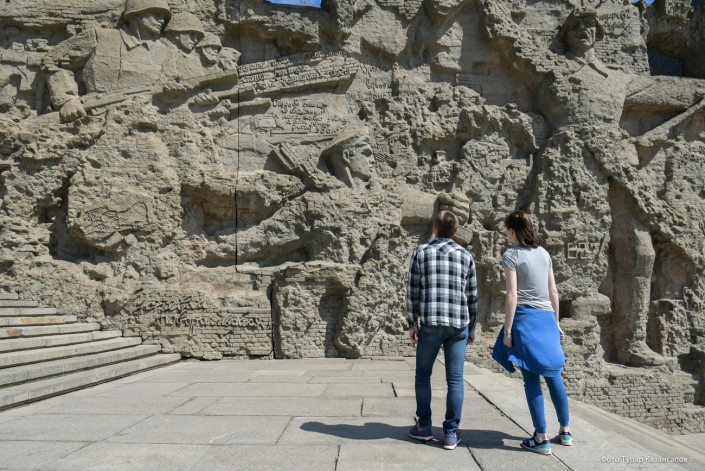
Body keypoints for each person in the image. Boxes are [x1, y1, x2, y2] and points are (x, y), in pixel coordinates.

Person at [492, 210, 570, 455]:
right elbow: (553, 291)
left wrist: (507, 330)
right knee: (554, 375)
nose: (506, 234)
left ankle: (541, 437)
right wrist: (556, 323)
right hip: (547, 317)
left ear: (512, 230)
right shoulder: (544, 253)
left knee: (531, 378)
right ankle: (565, 431)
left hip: (525, 319)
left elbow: (512, 295)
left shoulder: (510, 256)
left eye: (506, 230)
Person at [407, 210, 477, 450]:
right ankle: (450, 433)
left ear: (434, 228)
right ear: (456, 231)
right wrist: (472, 327)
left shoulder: (420, 252)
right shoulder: (465, 255)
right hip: (458, 325)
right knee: (455, 379)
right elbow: (472, 295)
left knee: (422, 375)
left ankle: (424, 427)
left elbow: (413, 291)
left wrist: (412, 324)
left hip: (431, 323)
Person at [42, 0, 175, 122]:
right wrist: (68, 100)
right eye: (156, 14)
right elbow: (52, 60)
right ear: (136, 14)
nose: (162, 20)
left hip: (144, 119)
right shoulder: (101, 37)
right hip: (93, 116)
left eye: (163, 16)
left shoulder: (165, 50)